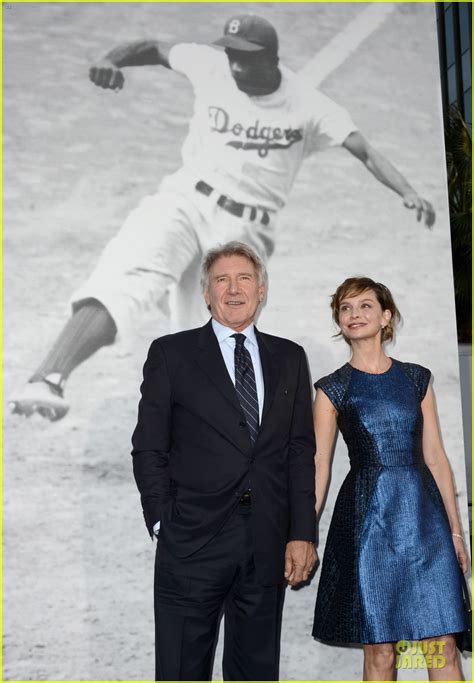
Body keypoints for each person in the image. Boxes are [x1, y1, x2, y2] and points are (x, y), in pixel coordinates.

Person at [10, 13, 436, 421]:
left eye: (247, 58)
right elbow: (155, 48)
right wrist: (110, 59)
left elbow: (363, 149)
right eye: (231, 54)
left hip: (243, 231)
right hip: (183, 198)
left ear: (271, 58)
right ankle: (48, 378)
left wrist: (409, 192)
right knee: (125, 276)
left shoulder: (309, 106)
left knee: (208, 339)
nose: (235, 65)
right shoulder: (211, 65)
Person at [131, 241, 316, 681]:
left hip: (267, 546)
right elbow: (149, 447)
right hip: (191, 542)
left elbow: (298, 452)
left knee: (256, 672)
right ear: (207, 294)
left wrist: (302, 533)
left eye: (244, 278)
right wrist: (163, 521)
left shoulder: (289, 357)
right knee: (180, 671)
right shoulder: (170, 354)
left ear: (262, 289)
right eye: (221, 280)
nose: (234, 289)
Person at [312, 276, 468, 681]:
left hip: (425, 522)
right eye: (345, 308)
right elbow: (319, 465)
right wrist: (301, 530)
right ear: (339, 322)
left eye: (365, 306)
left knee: (442, 649)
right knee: (380, 652)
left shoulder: (417, 378)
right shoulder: (332, 389)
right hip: (369, 524)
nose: (354, 314)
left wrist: (455, 532)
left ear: (385, 317)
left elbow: (435, 457)